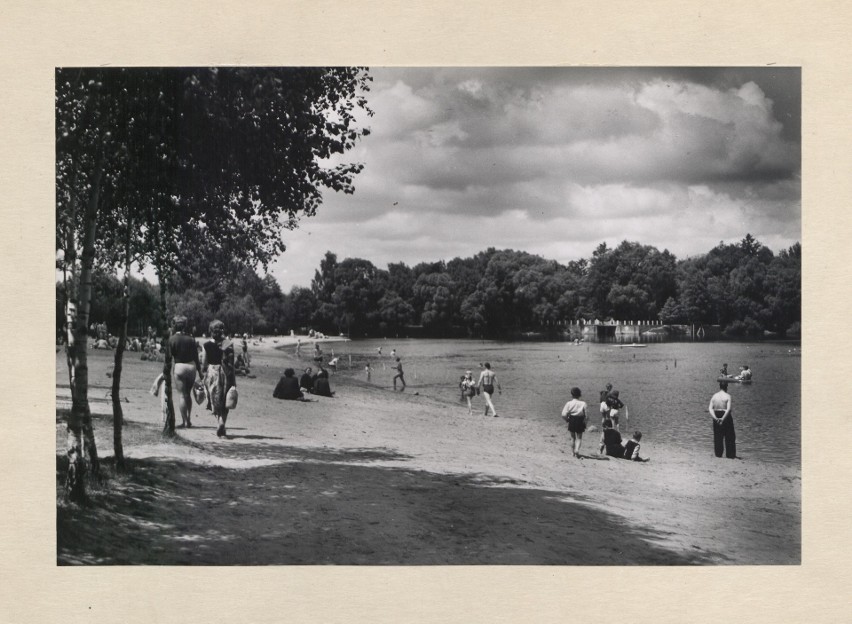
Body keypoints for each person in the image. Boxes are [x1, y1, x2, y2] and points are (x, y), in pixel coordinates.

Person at [164, 315, 202, 428]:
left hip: (179, 366)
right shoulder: (191, 339)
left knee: (181, 395)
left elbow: (168, 358)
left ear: (174, 326)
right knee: (188, 394)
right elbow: (196, 356)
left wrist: (166, 372)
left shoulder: (172, 339)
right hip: (191, 367)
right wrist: (200, 371)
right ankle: (189, 419)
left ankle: (184, 421)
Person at [201, 319, 236, 438]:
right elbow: (232, 363)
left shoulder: (206, 345)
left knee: (215, 400)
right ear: (222, 331)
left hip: (212, 373)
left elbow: (204, 363)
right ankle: (222, 423)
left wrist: (203, 377)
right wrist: (233, 380)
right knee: (225, 400)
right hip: (225, 373)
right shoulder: (228, 344)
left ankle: (219, 422)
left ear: (210, 331)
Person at [708, 381, 736, 458]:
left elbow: (710, 408)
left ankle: (718, 454)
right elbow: (728, 409)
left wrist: (716, 418)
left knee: (718, 435)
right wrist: (723, 419)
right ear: (726, 387)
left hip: (716, 414)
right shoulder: (728, 396)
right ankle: (730, 454)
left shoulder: (714, 396)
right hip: (725, 416)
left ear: (720, 386)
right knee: (729, 435)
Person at [561, 387, 588, 458]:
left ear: (571, 395)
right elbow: (587, 416)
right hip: (580, 420)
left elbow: (563, 414)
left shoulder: (569, 403)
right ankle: (577, 450)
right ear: (580, 395)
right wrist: (585, 423)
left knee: (572, 438)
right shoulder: (583, 403)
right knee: (579, 437)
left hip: (572, 419)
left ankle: (572, 453)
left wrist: (567, 419)